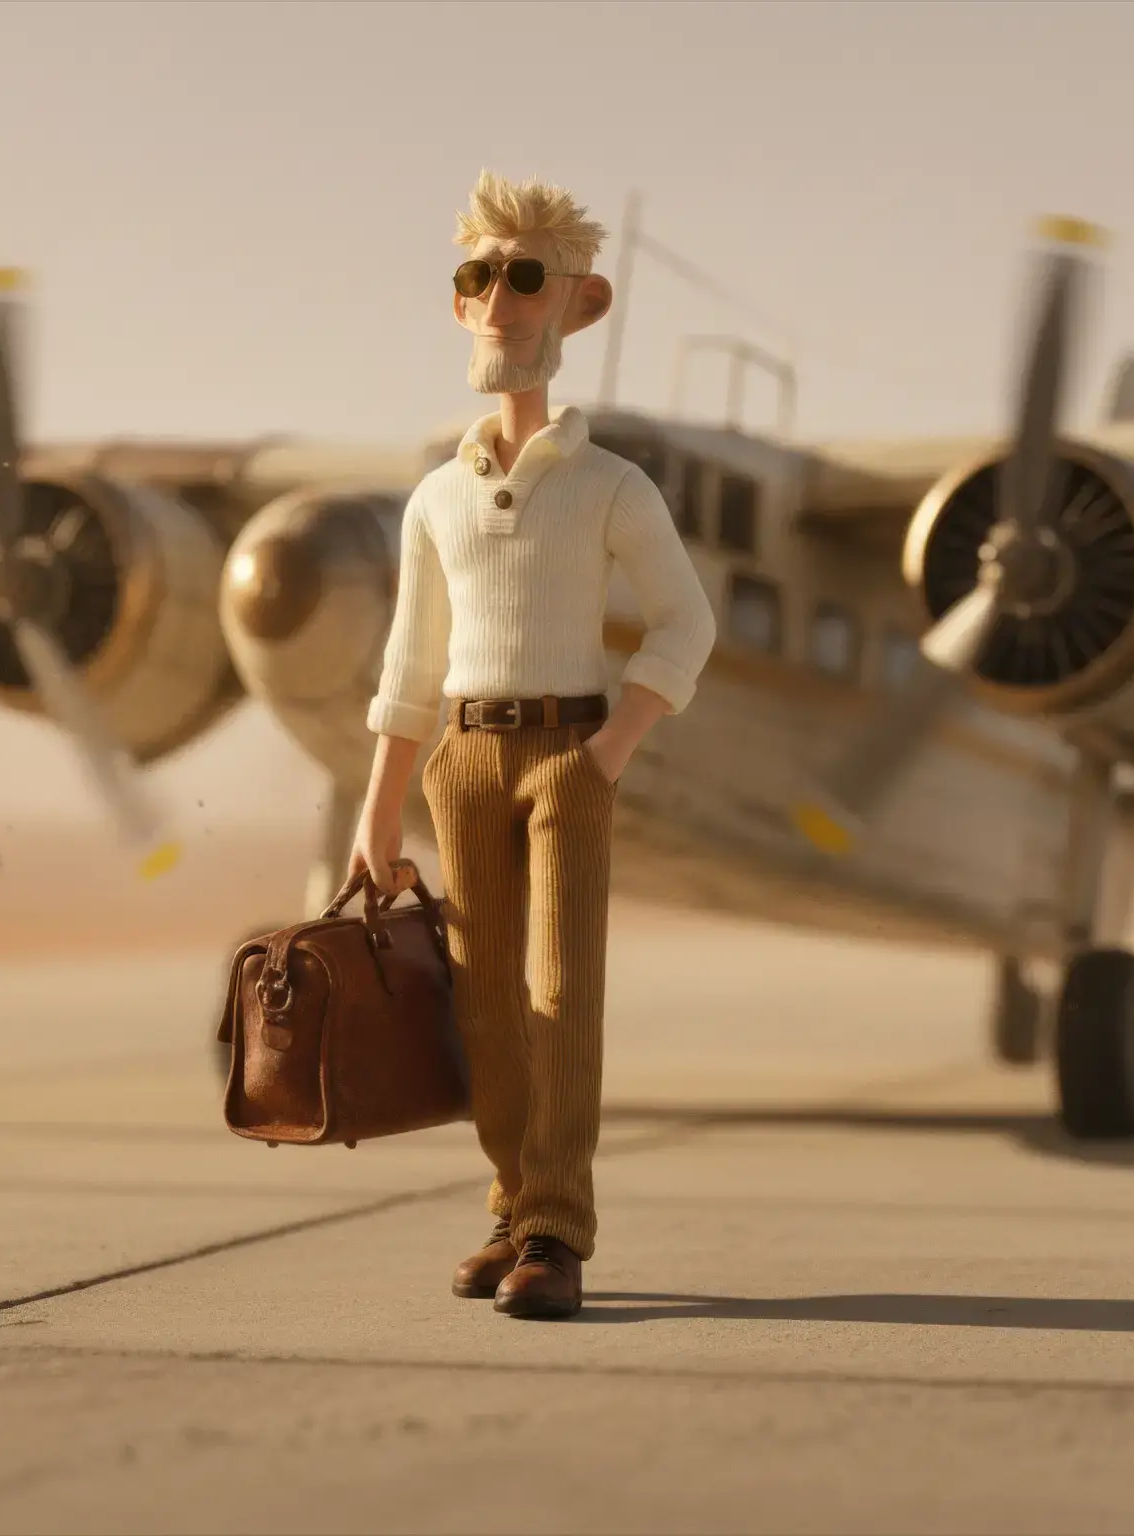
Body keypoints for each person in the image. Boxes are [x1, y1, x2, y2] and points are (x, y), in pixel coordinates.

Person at [347, 171, 717, 1319]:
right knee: (483, 1005)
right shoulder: (433, 501)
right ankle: (511, 1206)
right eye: (482, 278)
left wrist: (605, 754)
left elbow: (686, 622)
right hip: (461, 761)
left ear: (578, 304)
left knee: (561, 998)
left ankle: (558, 1227)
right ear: (460, 303)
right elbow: (410, 664)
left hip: (568, 753)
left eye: (526, 277)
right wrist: (378, 808)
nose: (502, 301)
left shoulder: (610, 486)